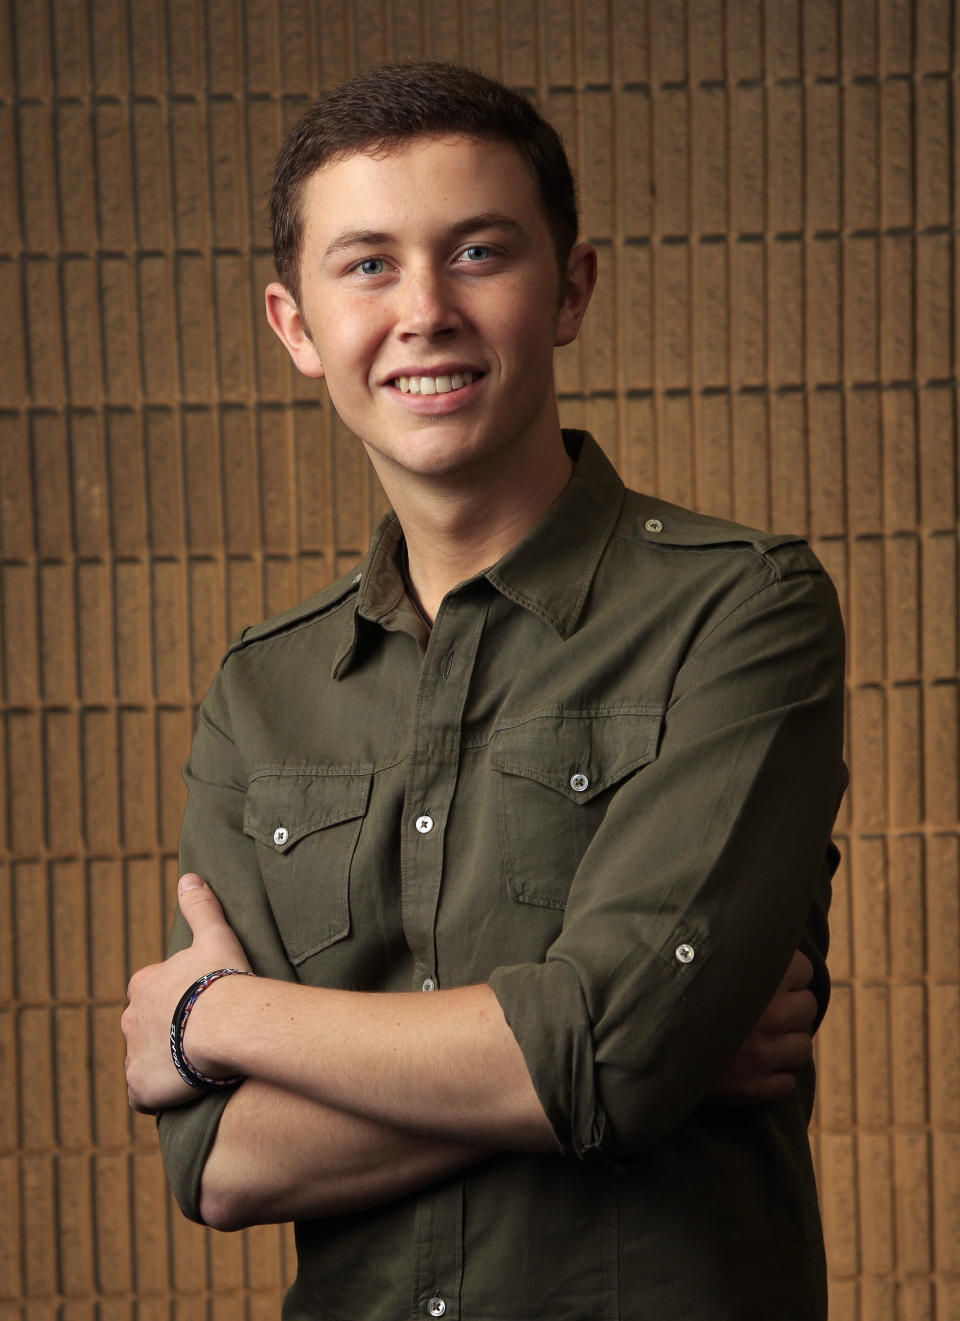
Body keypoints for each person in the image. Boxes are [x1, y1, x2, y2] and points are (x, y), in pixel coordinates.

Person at [122, 61, 846, 1320]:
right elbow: (222, 1165)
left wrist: (222, 1020)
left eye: (477, 252)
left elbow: (616, 1050)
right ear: (296, 328)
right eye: (367, 265)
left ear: (568, 291)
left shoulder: (742, 609)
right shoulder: (265, 688)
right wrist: (623, 1058)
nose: (424, 312)